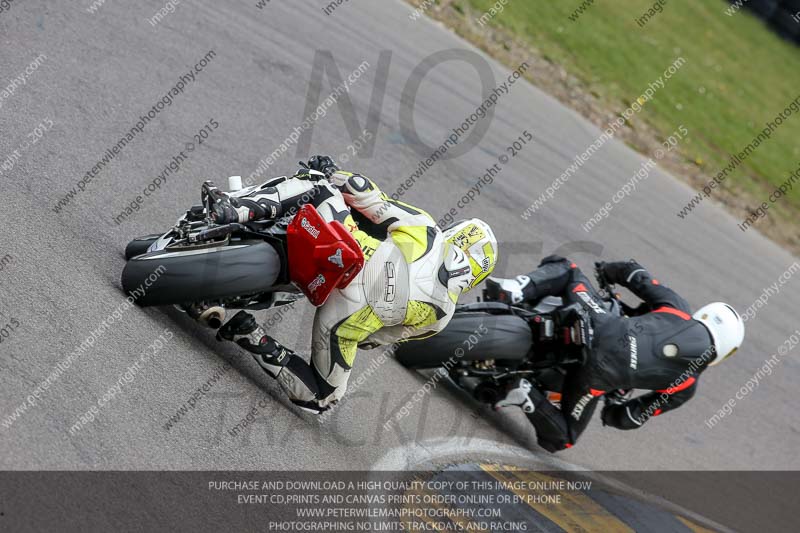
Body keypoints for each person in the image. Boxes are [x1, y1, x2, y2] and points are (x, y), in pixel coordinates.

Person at [208, 156, 499, 414]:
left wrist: (332, 172)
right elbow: (373, 340)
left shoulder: (428, 229)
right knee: (322, 396)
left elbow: (365, 193)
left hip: (346, 248)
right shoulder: (442, 316)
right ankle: (249, 334)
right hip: (344, 320)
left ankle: (236, 207)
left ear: (456, 233)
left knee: (317, 184)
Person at [488, 256, 744, 452]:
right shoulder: (686, 387)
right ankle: (523, 391)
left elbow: (635, 274)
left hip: (599, 320)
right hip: (595, 379)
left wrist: (607, 271)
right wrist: (613, 409)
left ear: (705, 314)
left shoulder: (678, 309)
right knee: (564, 438)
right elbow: (630, 417)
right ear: (724, 352)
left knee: (568, 269)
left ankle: (515, 289)